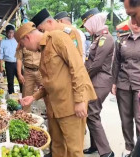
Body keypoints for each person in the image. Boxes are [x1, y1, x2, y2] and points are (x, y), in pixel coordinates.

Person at [15, 22, 97, 157]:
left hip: (70, 105)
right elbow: (51, 82)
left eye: (24, 46)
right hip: (55, 107)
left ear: (27, 38)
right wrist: (33, 97)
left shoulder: (57, 38)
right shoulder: (43, 49)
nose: (27, 50)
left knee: (74, 151)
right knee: (58, 148)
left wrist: (80, 100)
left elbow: (77, 69)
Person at [81, 8, 115, 157]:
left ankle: (107, 152)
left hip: (100, 81)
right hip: (95, 80)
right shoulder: (97, 38)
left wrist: (83, 77)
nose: (87, 29)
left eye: (87, 25)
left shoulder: (105, 38)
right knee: (92, 113)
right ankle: (95, 146)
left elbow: (97, 64)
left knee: (92, 113)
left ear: (94, 21)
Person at [112, 19, 140, 157]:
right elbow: (116, 62)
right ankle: (129, 147)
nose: (136, 24)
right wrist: (114, 83)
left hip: (139, 86)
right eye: (133, 22)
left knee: (139, 119)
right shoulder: (122, 39)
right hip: (123, 84)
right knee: (126, 118)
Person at [16, 48, 41, 112]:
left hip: (40, 71)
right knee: (26, 93)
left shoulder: (41, 41)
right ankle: (26, 114)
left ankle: (50, 115)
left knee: (47, 92)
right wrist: (19, 74)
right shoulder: (21, 43)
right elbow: (19, 59)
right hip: (28, 71)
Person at [0, 25, 22, 94]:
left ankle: (23, 95)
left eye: (12, 32)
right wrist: (1, 67)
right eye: (9, 33)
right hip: (8, 64)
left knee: (21, 79)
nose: (10, 34)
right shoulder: (3, 42)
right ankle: (11, 96)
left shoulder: (17, 40)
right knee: (10, 81)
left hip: (18, 63)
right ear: (6, 32)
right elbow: (0, 55)